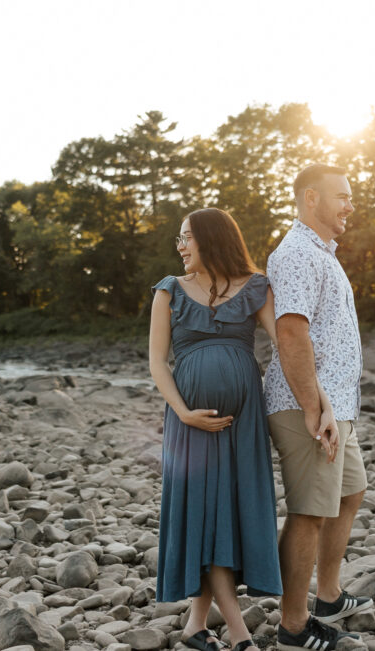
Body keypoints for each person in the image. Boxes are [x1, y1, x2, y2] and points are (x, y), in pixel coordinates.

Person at [150, 207, 318, 651]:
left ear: (211, 238)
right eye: (178, 239)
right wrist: (184, 413)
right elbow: (156, 363)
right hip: (190, 426)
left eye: (186, 236)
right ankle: (239, 633)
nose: (180, 246)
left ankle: (194, 627)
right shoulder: (169, 291)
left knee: (224, 516)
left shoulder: (257, 287)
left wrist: (313, 404)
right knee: (205, 515)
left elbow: (287, 345)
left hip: (242, 424)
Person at [264, 165, 372, 651]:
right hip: (308, 407)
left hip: (337, 407)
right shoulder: (295, 254)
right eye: (342, 197)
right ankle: (293, 626)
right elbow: (290, 331)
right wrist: (312, 406)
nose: (350, 205)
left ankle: (327, 596)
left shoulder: (321, 253)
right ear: (312, 198)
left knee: (351, 493)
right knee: (309, 512)